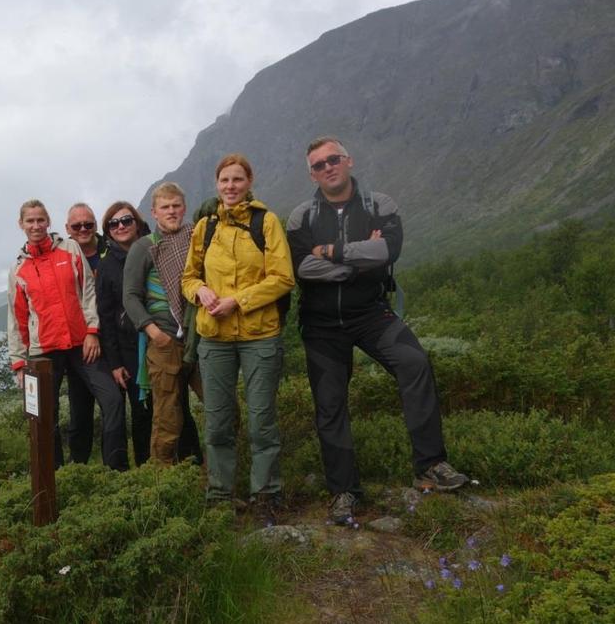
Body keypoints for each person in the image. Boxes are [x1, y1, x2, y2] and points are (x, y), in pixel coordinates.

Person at [286, 136, 469, 526]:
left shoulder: (379, 204)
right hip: (320, 325)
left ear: (348, 160)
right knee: (330, 404)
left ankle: (431, 466)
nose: (327, 168)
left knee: (414, 363)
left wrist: (331, 252)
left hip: (371, 314)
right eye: (318, 165)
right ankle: (344, 491)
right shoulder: (301, 216)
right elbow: (302, 268)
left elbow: (388, 252)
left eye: (333, 159)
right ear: (311, 174)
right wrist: (358, 259)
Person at [182, 155, 294, 512]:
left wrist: (238, 301)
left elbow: (282, 278)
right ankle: (220, 495)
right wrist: (199, 290)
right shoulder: (205, 227)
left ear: (249, 182)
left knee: (262, 419)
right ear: (217, 184)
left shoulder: (267, 222)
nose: (230, 186)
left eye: (237, 180)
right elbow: (188, 278)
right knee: (217, 422)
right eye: (224, 180)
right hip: (214, 338)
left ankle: (266, 493)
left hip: (260, 335)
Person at [7, 199, 129, 471]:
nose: (36, 225)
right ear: (21, 225)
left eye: (40, 219)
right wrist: (18, 363)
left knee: (112, 400)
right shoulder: (18, 269)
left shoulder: (70, 249)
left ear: (48, 221)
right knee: (43, 415)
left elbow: (88, 292)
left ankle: (116, 472)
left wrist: (92, 331)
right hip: (43, 352)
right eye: (30, 221)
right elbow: (17, 319)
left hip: (79, 344)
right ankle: (54, 476)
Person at [123, 182, 203, 466]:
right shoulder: (144, 247)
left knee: (223, 409)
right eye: (165, 207)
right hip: (165, 340)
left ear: (184, 207)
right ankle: (164, 485)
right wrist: (154, 332)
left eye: (176, 206)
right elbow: (130, 296)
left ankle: (219, 484)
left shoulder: (197, 238)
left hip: (202, 336)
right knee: (167, 416)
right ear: (154, 213)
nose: (171, 211)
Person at [95, 201, 153, 466]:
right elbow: (106, 317)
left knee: (173, 408)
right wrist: (115, 363)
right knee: (140, 413)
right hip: (129, 349)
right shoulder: (106, 266)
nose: (120, 226)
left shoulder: (156, 248)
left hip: (163, 340)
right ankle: (145, 470)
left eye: (126, 220)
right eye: (113, 223)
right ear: (108, 230)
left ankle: (185, 466)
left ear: (137, 223)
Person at [63, 203, 109, 464]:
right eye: (76, 226)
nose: (83, 229)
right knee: (79, 409)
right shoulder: (62, 256)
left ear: (95, 226)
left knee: (112, 405)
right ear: (67, 229)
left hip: (111, 340)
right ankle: (78, 466)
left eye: (88, 224)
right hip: (78, 345)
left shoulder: (110, 251)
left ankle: (113, 467)